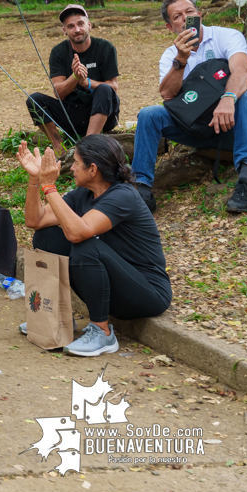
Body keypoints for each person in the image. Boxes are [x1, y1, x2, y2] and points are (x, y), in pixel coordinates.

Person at [18, 135, 172, 357]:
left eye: (77, 164)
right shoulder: (84, 194)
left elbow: (78, 233)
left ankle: (102, 333)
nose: (71, 169)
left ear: (93, 169)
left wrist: (49, 187)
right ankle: (59, 317)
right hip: (112, 285)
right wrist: (35, 180)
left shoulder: (124, 195)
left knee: (84, 244)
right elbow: (35, 221)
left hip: (147, 293)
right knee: (46, 236)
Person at [132, 0, 247, 213]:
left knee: (243, 95)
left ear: (200, 14)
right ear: (170, 27)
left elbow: (242, 72)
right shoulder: (170, 55)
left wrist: (227, 98)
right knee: (149, 115)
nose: (186, 18)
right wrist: (181, 59)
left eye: (189, 12)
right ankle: (142, 189)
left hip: (235, 123)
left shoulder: (227, 37)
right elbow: (168, 96)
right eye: (177, 16)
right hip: (198, 127)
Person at [25, 5, 120, 157]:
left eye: (80, 24)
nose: (77, 30)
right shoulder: (59, 52)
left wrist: (86, 82)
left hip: (101, 112)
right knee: (34, 100)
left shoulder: (105, 48)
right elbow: (58, 93)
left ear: (89, 25)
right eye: (71, 26)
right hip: (72, 114)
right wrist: (75, 77)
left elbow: (113, 87)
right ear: (64, 31)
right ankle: (59, 148)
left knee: (104, 89)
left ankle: (87, 147)